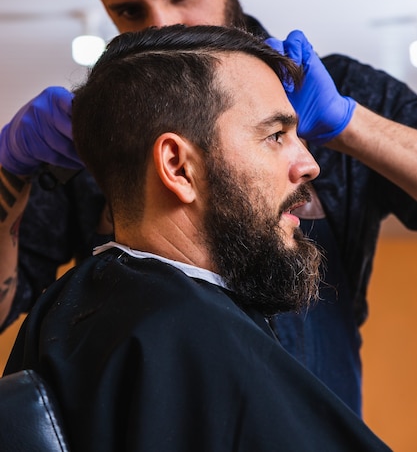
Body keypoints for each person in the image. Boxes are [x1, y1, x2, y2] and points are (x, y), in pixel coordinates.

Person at [0, 0, 417, 416]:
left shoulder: (347, 88)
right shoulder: (102, 139)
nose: (161, 27)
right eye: (128, 10)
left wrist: (350, 123)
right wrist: (8, 170)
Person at [3, 25, 391, 452]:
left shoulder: (67, 315)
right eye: (275, 135)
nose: (309, 164)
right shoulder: (188, 338)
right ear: (178, 167)